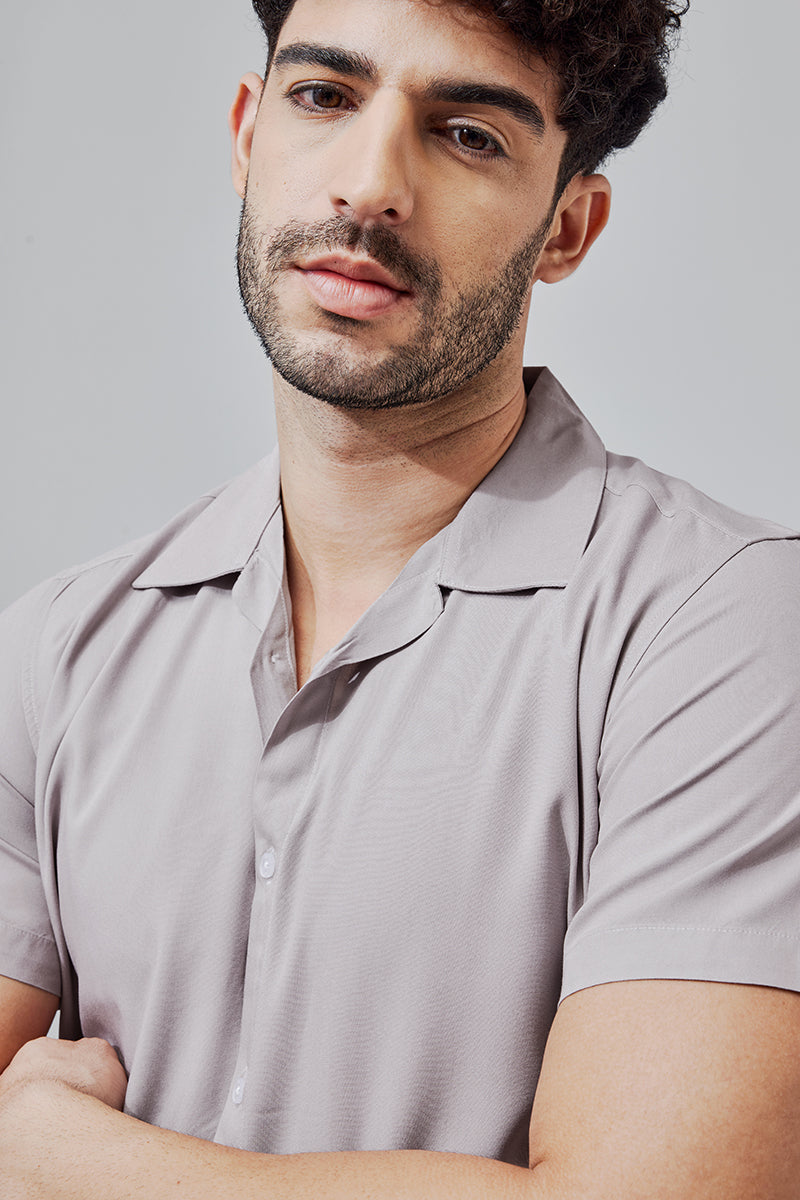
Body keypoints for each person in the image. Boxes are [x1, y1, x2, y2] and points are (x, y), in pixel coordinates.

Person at [1, 0, 799, 1195]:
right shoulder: (55, 650)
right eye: (323, 96)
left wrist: (64, 1162)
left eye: (468, 134)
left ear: (565, 228)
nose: (370, 186)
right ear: (246, 136)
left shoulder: (721, 629)